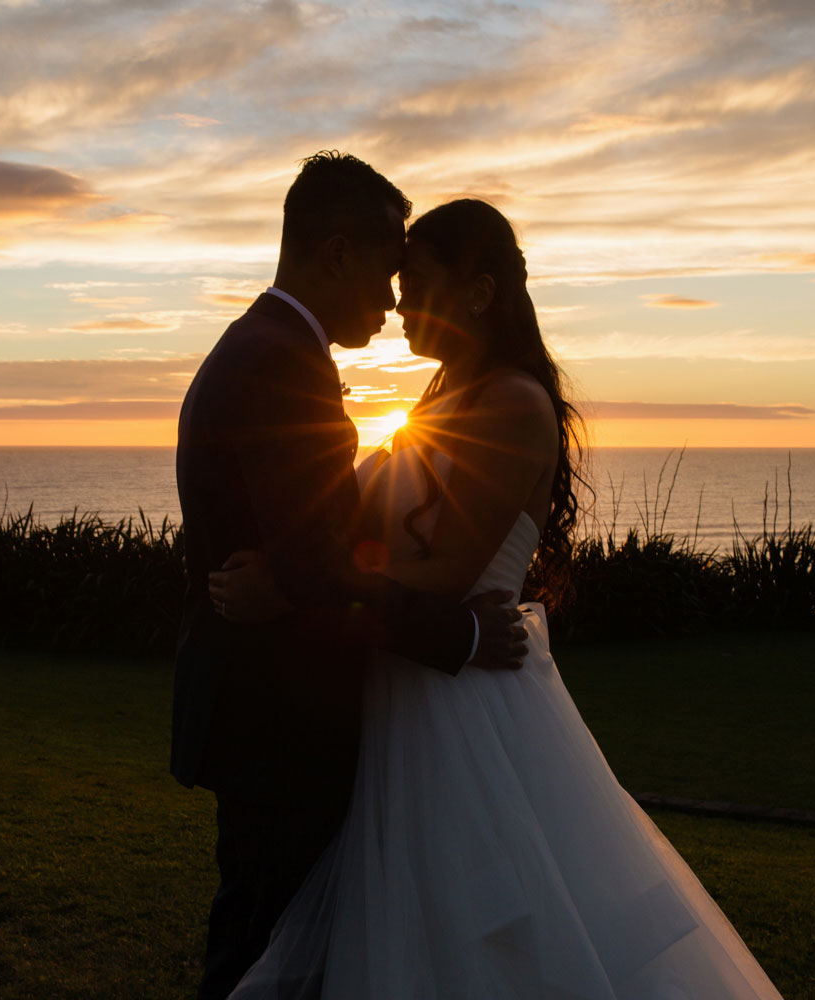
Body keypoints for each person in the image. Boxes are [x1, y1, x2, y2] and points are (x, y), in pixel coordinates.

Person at [209, 199, 786, 998]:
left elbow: (445, 572)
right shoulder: (442, 397)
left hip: (467, 704)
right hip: (410, 684)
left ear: (478, 294)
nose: (402, 303)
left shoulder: (513, 406)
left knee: (483, 927)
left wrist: (288, 585)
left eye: (417, 285)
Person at [172, 155, 529, 1000]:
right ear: (334, 255)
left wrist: (289, 579)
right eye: (385, 266)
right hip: (279, 720)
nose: (394, 294)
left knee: (278, 946)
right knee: (265, 957)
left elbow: (306, 556)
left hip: (269, 712)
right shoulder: (281, 362)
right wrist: (467, 633)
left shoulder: (263, 345)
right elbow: (319, 563)